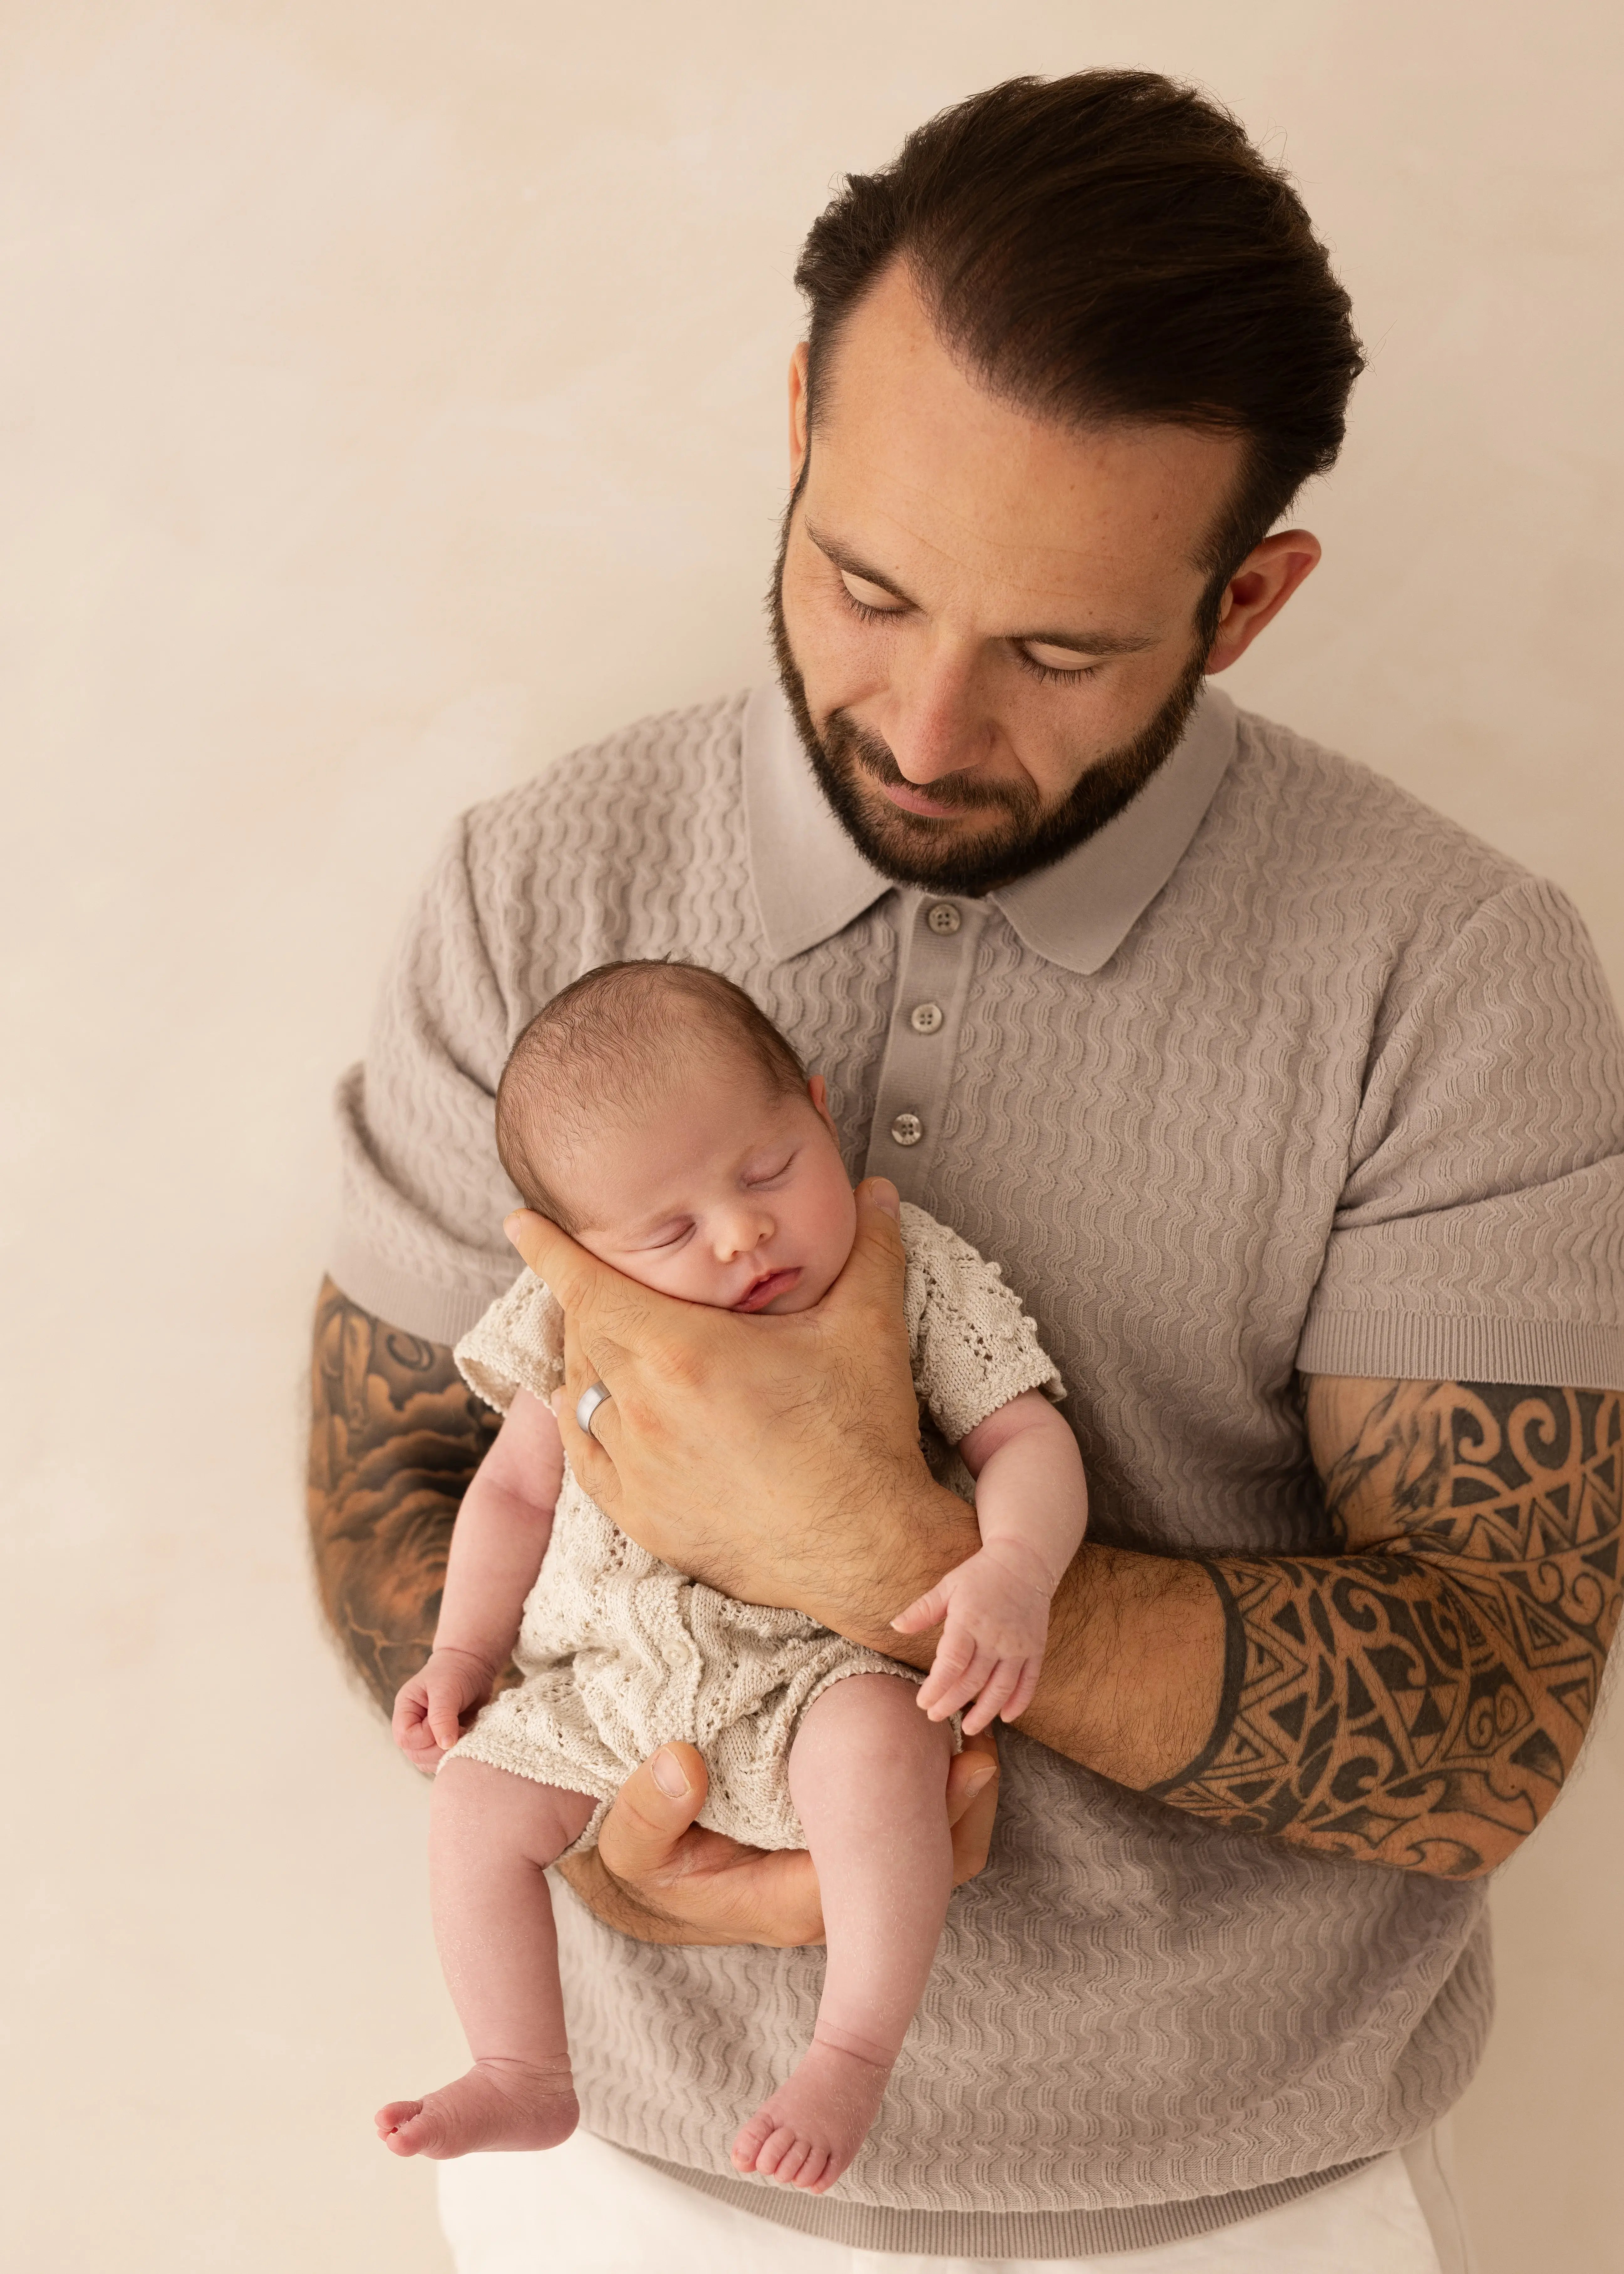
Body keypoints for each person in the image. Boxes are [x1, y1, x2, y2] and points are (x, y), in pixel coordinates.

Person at [309, 69, 1623, 2272]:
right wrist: (618, 1819)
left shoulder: (1452, 975)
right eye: (865, 584)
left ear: (1246, 598)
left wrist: (891, 1559)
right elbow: (393, 1494)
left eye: (1058, 649)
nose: (925, 729)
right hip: (614, 2186)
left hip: (1248, 2216)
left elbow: (1488, 1727)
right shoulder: (533, 888)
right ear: (802, 415)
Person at [375, 961, 1085, 2190]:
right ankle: (521, 2071)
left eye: (768, 1171)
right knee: (475, 1804)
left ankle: (852, 2050)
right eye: (667, 1230)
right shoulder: (565, 1318)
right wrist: (460, 1655)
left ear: (817, 1108)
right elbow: (511, 1492)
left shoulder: (898, 1260)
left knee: (880, 1753)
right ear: (576, 1254)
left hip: (819, 1666)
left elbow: (1020, 1432)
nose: (742, 1231)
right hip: (608, 1680)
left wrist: (1015, 1564)